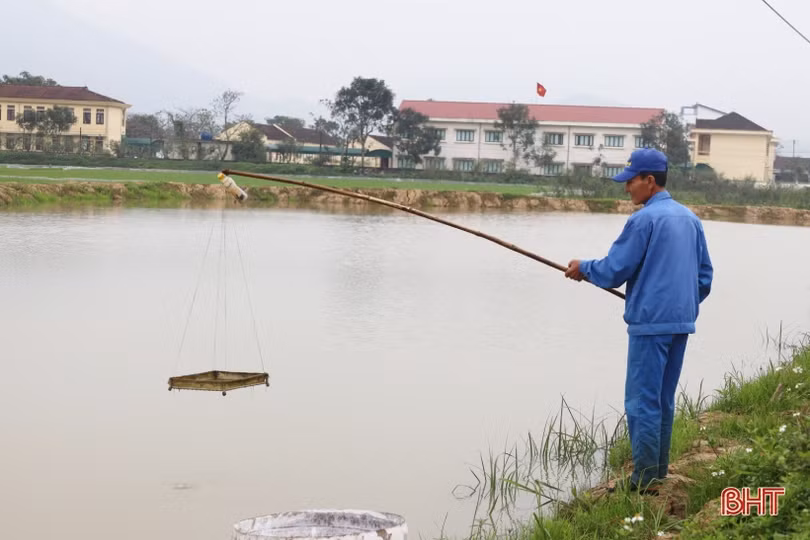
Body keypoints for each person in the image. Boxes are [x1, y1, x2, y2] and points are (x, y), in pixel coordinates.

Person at [564, 148, 714, 493]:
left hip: (650, 326)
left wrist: (583, 268)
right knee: (662, 399)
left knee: (642, 401)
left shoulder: (644, 220)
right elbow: (704, 277)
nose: (627, 187)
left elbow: (615, 269)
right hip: (680, 323)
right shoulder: (690, 219)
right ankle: (656, 473)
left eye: (631, 181)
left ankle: (645, 479)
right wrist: (681, 304)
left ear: (649, 181)